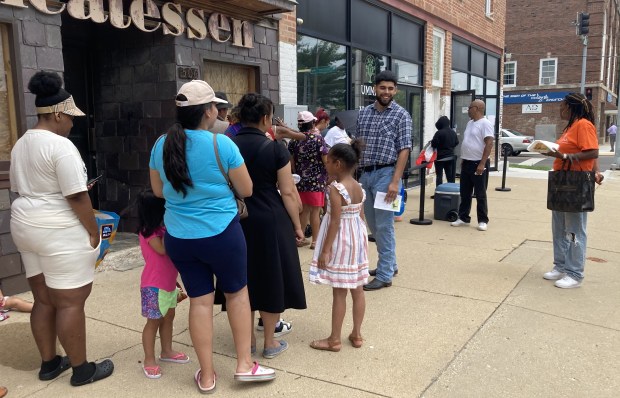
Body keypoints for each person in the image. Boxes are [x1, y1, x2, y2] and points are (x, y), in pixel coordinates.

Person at [149, 80, 275, 392]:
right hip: (222, 234)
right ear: (208, 112)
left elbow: (157, 191)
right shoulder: (222, 145)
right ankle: (244, 364)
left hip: (179, 236)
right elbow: (246, 190)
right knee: (237, 295)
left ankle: (206, 375)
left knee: (199, 302)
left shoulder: (160, 145)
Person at [10, 71, 114, 387]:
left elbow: (22, 187)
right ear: (57, 114)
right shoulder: (61, 146)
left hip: (25, 224)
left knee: (43, 298)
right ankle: (82, 369)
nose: (72, 124)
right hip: (58, 227)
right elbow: (77, 195)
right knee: (70, 301)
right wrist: (93, 230)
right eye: (70, 118)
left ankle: (50, 363)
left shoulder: (20, 144)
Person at [230, 93, 307, 359]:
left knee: (243, 278)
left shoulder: (226, 145)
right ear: (265, 118)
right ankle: (270, 342)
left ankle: (248, 339)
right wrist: (297, 226)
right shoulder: (275, 148)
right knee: (272, 277)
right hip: (271, 219)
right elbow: (287, 192)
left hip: (236, 219)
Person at [308, 141, 369, 352]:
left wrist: (325, 249)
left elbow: (334, 220)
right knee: (358, 288)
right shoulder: (358, 187)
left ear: (338, 164)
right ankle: (357, 333)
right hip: (357, 237)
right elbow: (361, 216)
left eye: (328, 162)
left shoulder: (337, 189)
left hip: (342, 239)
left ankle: (334, 339)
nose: (326, 166)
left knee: (340, 291)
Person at [356, 70, 412, 291]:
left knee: (384, 225)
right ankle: (390, 264)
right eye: (382, 87)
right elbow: (358, 145)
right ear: (375, 89)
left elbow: (404, 150)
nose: (386, 92)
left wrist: (395, 182)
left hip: (387, 175)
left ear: (395, 90)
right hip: (366, 175)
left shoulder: (401, 115)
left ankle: (385, 274)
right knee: (373, 224)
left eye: (390, 88)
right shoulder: (364, 114)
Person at [542, 93, 602, 289]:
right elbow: (586, 152)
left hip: (576, 183)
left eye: (562, 105)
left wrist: (564, 155)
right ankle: (560, 266)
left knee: (575, 229)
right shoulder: (571, 127)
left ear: (570, 107)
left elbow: (592, 151)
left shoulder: (583, 124)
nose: (560, 109)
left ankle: (575, 273)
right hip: (562, 180)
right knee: (559, 227)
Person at [137, 190, 189, 379]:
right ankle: (149, 359)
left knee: (168, 318)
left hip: (168, 285)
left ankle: (166, 351)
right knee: (153, 322)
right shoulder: (148, 233)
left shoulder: (162, 230)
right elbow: (163, 249)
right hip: (153, 286)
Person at [450, 99, 493, 232]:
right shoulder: (470, 123)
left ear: (478, 108)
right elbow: (469, 141)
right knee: (465, 192)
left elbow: (489, 143)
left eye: (470, 107)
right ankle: (463, 217)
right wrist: (464, 159)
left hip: (478, 163)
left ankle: (482, 220)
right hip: (467, 162)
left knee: (480, 193)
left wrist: (482, 163)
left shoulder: (485, 123)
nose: (468, 110)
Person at [289, 111, 329, 249]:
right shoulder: (318, 139)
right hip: (317, 180)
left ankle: (299, 239)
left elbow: (292, 162)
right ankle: (315, 241)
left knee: (304, 209)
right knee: (315, 211)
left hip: (301, 180)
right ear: (312, 123)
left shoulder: (294, 141)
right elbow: (325, 160)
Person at [431, 116, 459, 187]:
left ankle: (439, 191)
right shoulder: (453, 132)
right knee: (450, 176)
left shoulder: (439, 133)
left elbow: (434, 144)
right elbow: (457, 142)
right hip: (450, 157)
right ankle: (451, 191)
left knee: (439, 176)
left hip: (440, 157)